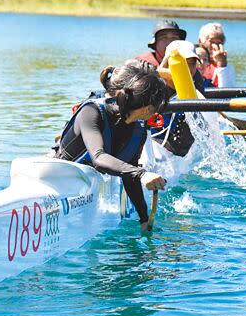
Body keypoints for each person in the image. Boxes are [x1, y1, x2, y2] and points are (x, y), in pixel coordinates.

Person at [55, 61, 169, 231]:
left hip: (85, 188)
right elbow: (99, 158)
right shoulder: (92, 112)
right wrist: (142, 174)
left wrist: (144, 219)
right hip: (60, 183)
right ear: (147, 109)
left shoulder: (139, 127)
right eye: (157, 107)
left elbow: (129, 174)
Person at [136, 19, 205, 92]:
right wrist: (162, 72)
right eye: (163, 38)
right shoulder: (140, 63)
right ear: (155, 43)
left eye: (174, 38)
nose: (169, 42)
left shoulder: (194, 72)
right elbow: (130, 67)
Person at [197, 22, 236, 88]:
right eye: (212, 42)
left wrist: (222, 64)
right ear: (200, 41)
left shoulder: (226, 67)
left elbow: (227, 92)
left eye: (219, 43)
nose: (215, 46)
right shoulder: (191, 61)